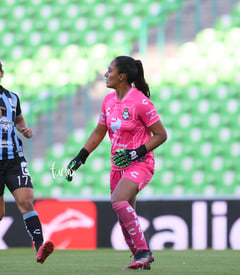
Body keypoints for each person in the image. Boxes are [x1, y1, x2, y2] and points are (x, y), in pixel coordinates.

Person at [66, 56, 167, 270]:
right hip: (117, 166)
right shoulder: (109, 101)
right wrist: (81, 156)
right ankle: (140, 260)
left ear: (122, 76)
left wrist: (135, 153)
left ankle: (143, 251)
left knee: (118, 200)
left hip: (141, 163)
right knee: (124, 213)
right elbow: (99, 131)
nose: (105, 74)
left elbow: (161, 135)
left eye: (109, 70)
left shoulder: (140, 102)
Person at [0, 56, 54, 267]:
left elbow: (18, 119)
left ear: (1, 73)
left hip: (14, 158)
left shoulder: (12, 98)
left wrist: (24, 129)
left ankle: (39, 246)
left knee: (26, 201)